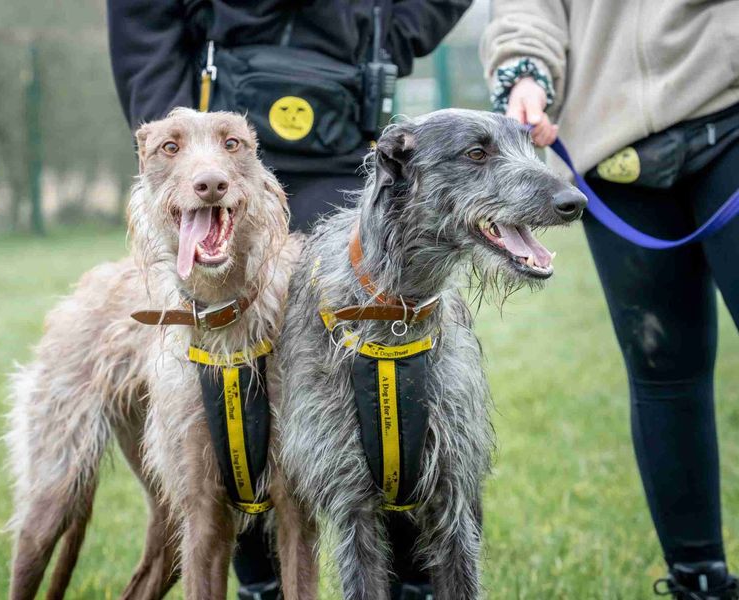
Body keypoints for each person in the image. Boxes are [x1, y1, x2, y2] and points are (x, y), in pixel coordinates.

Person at [107, 2, 472, 599]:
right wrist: (180, 138)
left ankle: (411, 583)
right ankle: (260, 585)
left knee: (391, 359)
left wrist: (384, 36)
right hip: (221, 131)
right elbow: (142, 16)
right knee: (232, 374)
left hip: (348, 144)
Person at [481, 1, 739, 598]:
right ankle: (699, 581)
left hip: (727, 112)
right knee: (661, 369)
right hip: (612, 144)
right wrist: (526, 74)